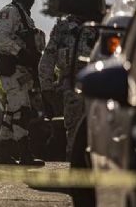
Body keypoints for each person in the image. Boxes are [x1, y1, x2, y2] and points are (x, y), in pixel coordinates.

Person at [0, 0, 46, 166]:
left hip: (23, 72)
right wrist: (21, 52)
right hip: (12, 69)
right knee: (21, 111)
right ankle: (25, 154)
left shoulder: (25, 17)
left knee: (11, 113)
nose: (32, 0)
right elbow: (1, 39)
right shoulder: (10, 12)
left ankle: (4, 155)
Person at [38, 14, 96, 161]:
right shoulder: (63, 29)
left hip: (98, 86)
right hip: (72, 86)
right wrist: (47, 88)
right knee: (75, 133)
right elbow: (48, 59)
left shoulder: (99, 25)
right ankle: (75, 171)